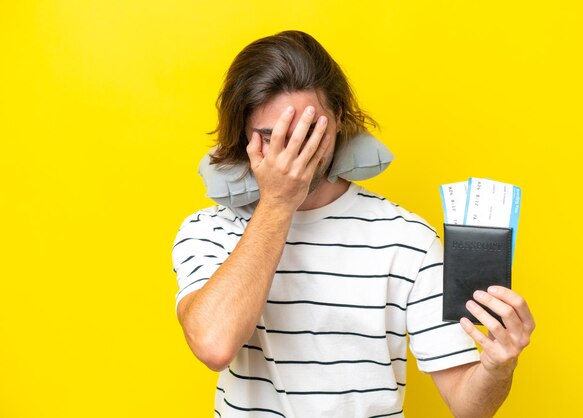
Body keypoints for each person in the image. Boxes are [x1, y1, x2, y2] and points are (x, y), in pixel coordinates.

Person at [172, 30, 535, 417]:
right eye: (272, 136)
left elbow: (468, 406)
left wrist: (499, 366)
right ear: (244, 135)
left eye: (310, 132)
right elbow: (213, 345)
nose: (296, 152)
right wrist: (278, 202)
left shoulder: (406, 239)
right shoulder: (208, 230)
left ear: (339, 120)